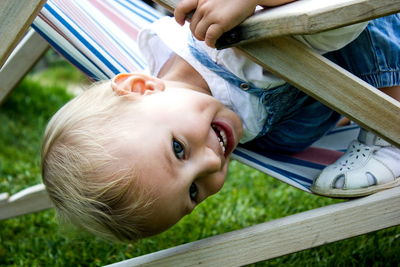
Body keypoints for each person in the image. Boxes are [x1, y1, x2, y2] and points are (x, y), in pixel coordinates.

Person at [41, 0, 400, 242]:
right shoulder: (202, 115)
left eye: (179, 150)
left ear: (142, 86)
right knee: (277, 140)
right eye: (194, 192)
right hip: (326, 90)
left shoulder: (223, 46)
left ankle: (389, 129)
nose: (212, 162)